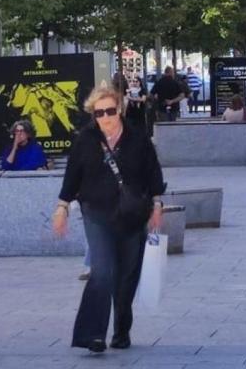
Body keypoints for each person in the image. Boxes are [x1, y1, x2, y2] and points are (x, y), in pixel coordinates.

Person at [52, 87, 166, 354]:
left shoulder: (138, 138)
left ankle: (122, 329)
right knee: (102, 271)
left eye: (110, 111)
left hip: (132, 215)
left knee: (126, 278)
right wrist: (62, 207)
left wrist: (157, 205)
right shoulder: (85, 139)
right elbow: (72, 176)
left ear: (120, 110)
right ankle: (93, 335)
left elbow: (153, 173)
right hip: (97, 214)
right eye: (99, 113)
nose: (105, 117)